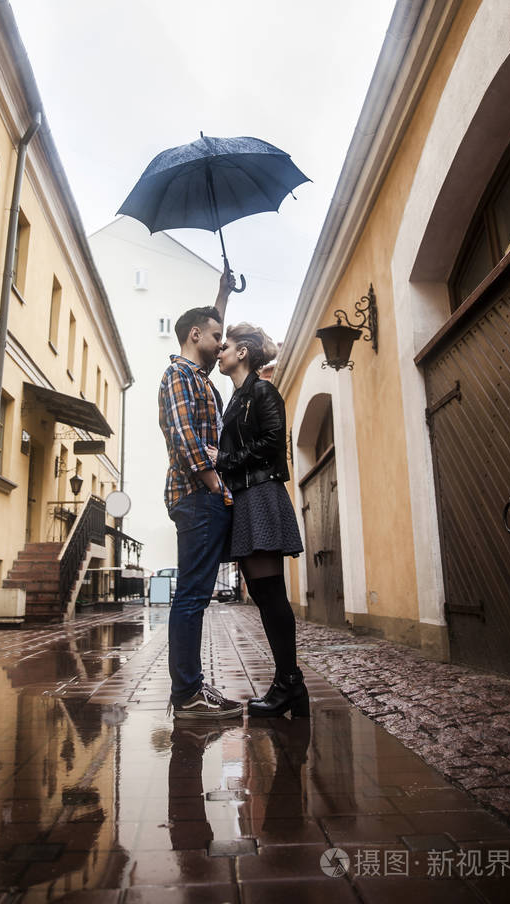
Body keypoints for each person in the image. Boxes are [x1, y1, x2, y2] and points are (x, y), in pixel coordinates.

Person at [207, 323, 309, 718]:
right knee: (266, 598)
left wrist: (224, 460)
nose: (220, 352)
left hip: (262, 495)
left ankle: (289, 684)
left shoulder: (261, 391)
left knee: (271, 597)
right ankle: (290, 684)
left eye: (226, 346)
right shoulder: (237, 398)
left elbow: (271, 441)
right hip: (248, 499)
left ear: (244, 352)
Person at [158, 268, 243, 721]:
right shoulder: (178, 376)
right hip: (197, 495)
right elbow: (184, 436)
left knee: (196, 594)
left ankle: (190, 688)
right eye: (216, 336)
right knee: (191, 595)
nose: (222, 341)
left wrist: (222, 294)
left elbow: (210, 326)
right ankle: (187, 695)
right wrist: (216, 486)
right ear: (195, 336)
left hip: (202, 495)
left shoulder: (200, 375)